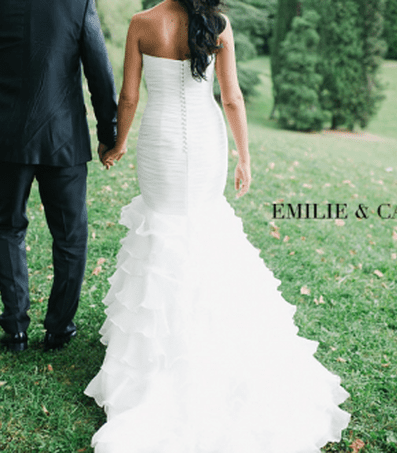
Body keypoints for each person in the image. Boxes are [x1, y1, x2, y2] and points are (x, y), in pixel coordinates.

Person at [84, 0, 350, 450]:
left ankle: (160, 347)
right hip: (207, 143)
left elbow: (129, 96)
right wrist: (243, 156)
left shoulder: (142, 24)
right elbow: (232, 98)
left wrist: (118, 143)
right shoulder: (218, 25)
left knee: (162, 228)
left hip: (160, 143)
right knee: (204, 227)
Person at [0, 0, 118, 352]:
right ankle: (59, 327)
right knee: (70, 235)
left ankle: (15, 329)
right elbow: (98, 67)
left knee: (8, 226)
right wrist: (109, 130)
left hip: (1, 133)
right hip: (61, 136)